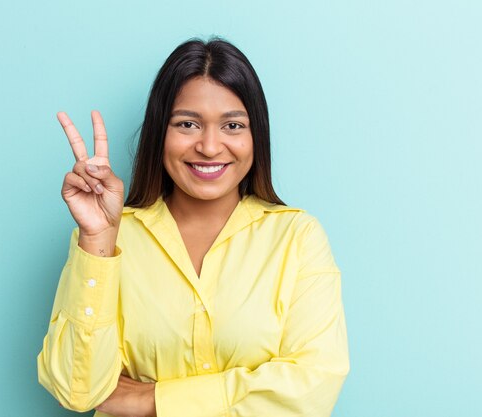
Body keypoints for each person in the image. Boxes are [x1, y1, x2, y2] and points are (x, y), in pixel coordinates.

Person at [37, 37, 349, 417]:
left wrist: (151, 400)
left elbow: (312, 389)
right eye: (188, 123)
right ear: (159, 132)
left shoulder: (297, 238)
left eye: (233, 125)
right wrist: (98, 240)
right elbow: (77, 390)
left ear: (256, 136)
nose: (210, 146)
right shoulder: (108, 240)